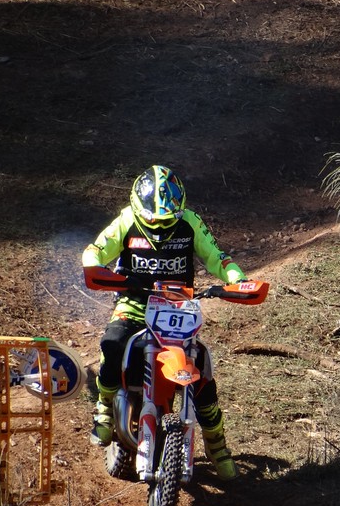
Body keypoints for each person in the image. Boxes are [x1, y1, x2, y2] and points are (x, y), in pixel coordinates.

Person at [82, 165, 246, 481]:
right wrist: (96, 268)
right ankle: (104, 409)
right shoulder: (127, 220)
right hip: (133, 302)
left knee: (200, 363)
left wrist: (236, 279)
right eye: (153, 220)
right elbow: (97, 250)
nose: (159, 226)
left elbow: (217, 257)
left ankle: (217, 443)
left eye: (166, 221)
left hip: (177, 305)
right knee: (112, 342)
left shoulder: (189, 222)